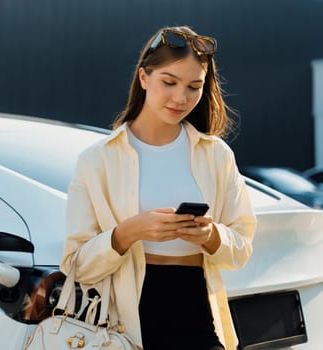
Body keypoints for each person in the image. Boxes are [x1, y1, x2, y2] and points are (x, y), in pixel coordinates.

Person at [60, 25, 257, 350]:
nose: (181, 98)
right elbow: (76, 265)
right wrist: (128, 232)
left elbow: (242, 249)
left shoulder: (216, 155)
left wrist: (210, 235)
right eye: (169, 82)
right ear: (143, 78)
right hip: (122, 320)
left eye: (194, 86)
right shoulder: (97, 160)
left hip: (197, 311)